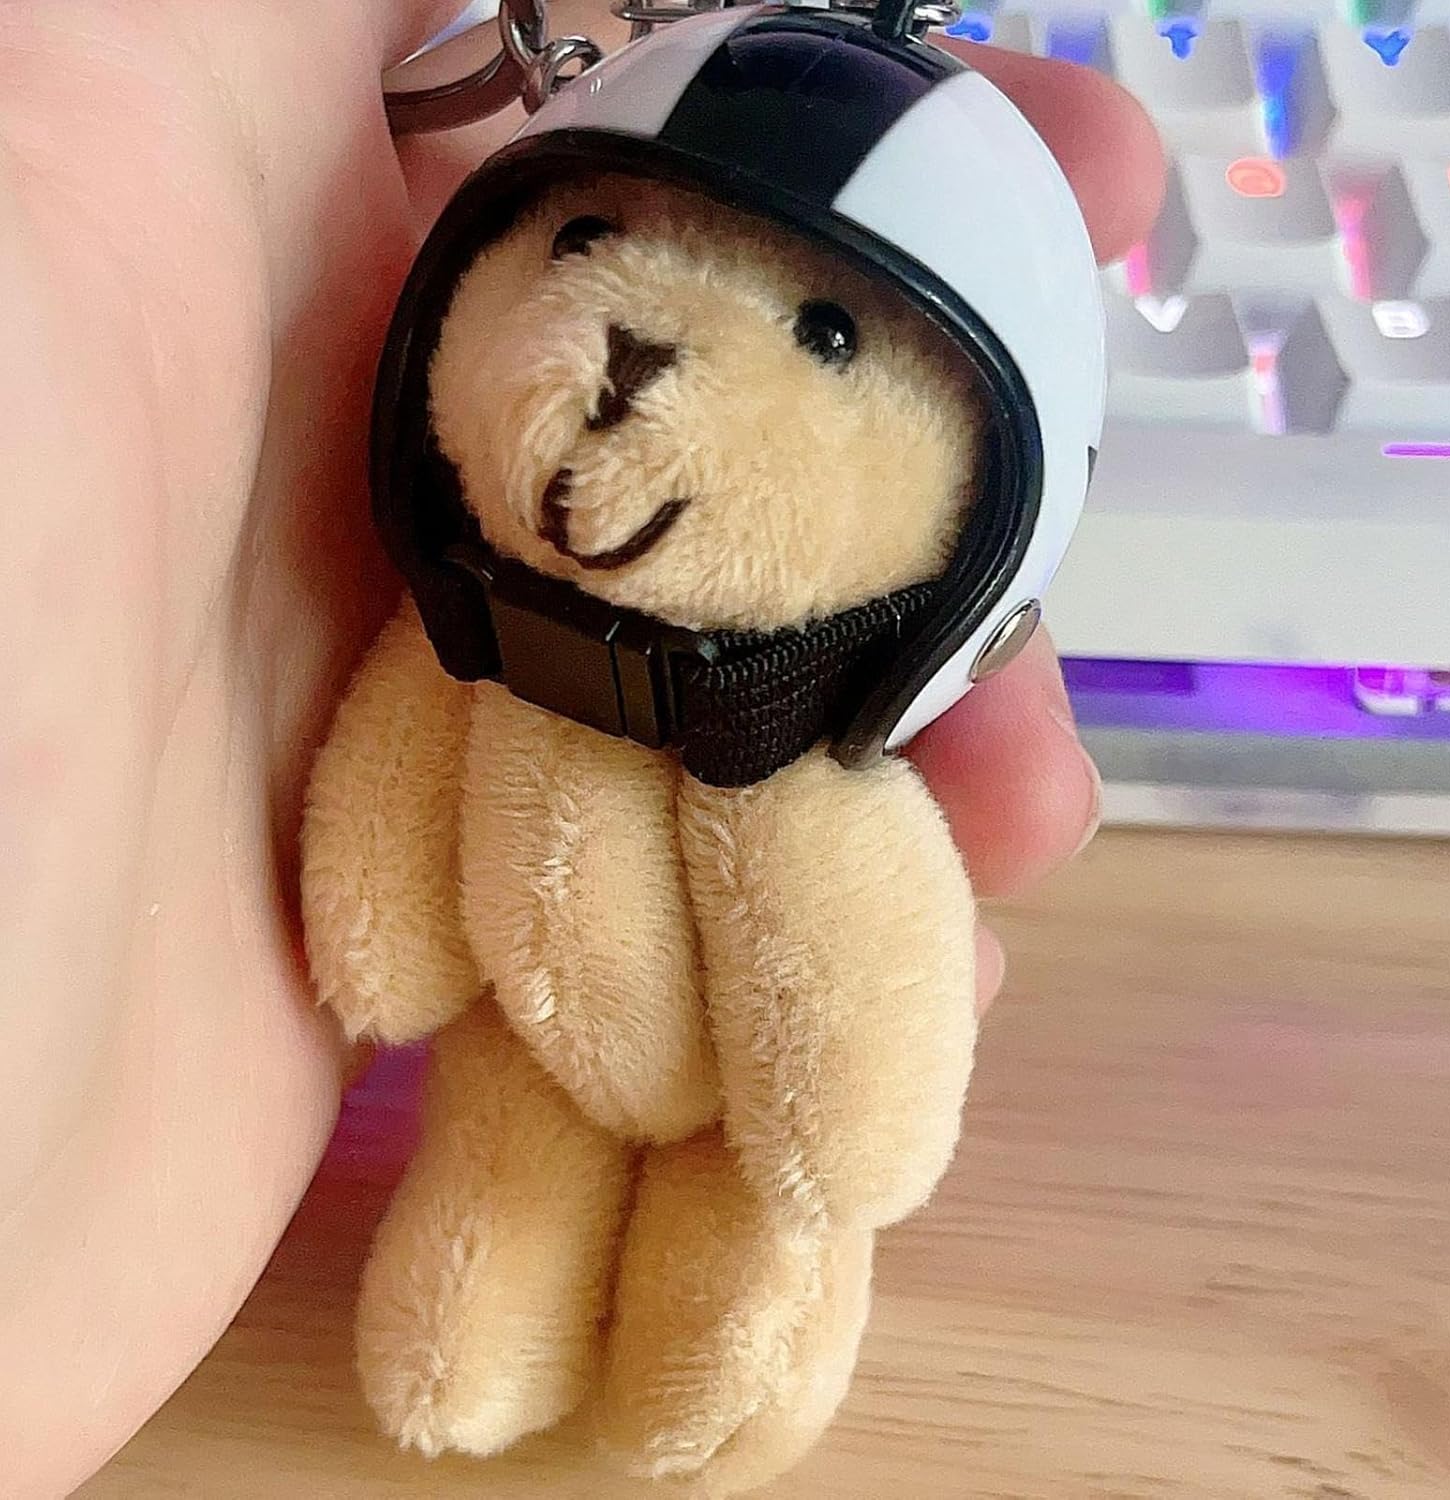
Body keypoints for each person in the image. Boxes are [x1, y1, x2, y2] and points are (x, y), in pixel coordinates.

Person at [0, 4, 1163, 1493]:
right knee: (489, 1212)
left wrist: (847, 1131)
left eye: (825, 334)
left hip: (730, 1093)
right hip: (519, 1045)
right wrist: (374, 930)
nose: (631, 355)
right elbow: (388, 857)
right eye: (583, 239)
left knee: (766, 1213)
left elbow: (849, 1034)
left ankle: (734, 1344)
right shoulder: (466, 656)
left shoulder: (789, 772)